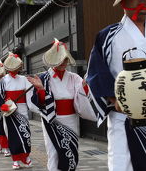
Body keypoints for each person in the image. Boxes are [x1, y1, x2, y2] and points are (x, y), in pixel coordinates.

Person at [86, 0, 146, 170]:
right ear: (124, 1)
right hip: (123, 117)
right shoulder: (108, 36)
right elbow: (96, 72)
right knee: (123, 165)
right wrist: (114, 99)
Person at [27, 38, 98, 171]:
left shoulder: (74, 77)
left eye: (65, 59)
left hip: (71, 118)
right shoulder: (43, 78)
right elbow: (38, 102)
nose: (63, 63)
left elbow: (83, 96)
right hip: (52, 120)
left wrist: (85, 86)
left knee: (71, 150)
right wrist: (41, 89)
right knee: (53, 151)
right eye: (60, 59)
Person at [0, 52, 33, 170]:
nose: (15, 70)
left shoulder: (24, 79)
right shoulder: (4, 81)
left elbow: (31, 95)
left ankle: (25, 157)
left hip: (22, 109)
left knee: (26, 135)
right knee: (13, 136)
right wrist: (2, 107)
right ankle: (16, 160)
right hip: (10, 111)